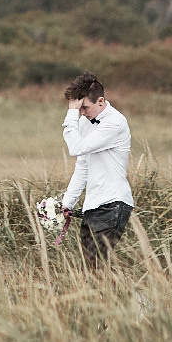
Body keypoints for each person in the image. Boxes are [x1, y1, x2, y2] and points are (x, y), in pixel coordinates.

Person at [59, 71, 134, 266]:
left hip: (113, 203)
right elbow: (82, 165)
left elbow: (76, 148)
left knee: (96, 265)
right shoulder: (84, 122)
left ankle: (138, 297)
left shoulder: (115, 122)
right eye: (79, 109)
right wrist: (68, 202)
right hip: (92, 206)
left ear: (100, 101)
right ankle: (134, 296)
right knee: (93, 269)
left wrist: (70, 114)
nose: (81, 112)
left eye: (84, 107)